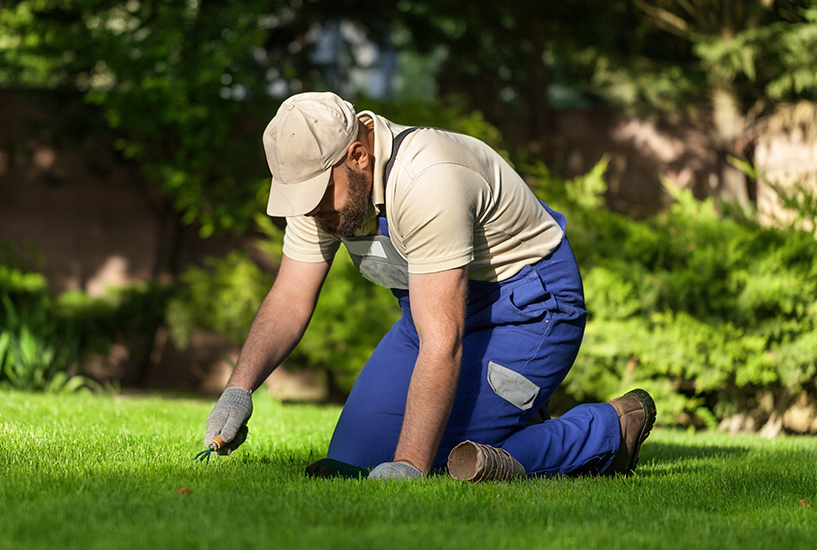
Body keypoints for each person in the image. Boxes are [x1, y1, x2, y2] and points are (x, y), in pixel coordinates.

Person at [201, 91, 656, 481]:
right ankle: (509, 419)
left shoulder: (428, 178)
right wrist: (238, 390)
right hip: (430, 313)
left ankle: (609, 430)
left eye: (321, 196)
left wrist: (409, 467)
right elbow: (290, 298)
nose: (314, 212)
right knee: (353, 462)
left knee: (439, 457)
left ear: (358, 156)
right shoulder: (325, 198)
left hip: (529, 311)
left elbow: (443, 342)